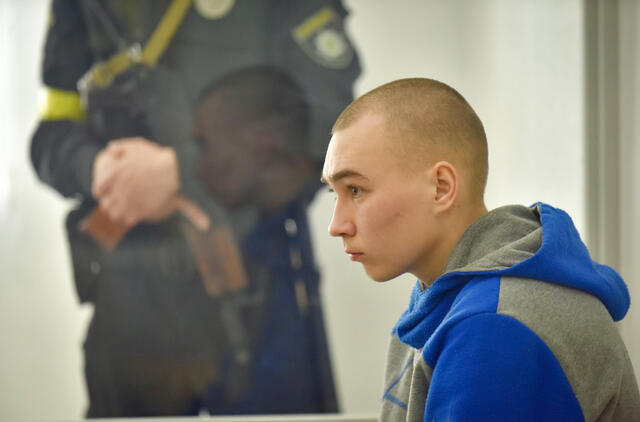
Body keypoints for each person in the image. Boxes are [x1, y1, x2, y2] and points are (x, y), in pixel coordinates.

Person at [30, 0, 360, 417]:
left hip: (255, 282)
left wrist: (182, 168)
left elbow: (328, 117)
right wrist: (96, 169)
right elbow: (52, 131)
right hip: (131, 295)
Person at [321, 78, 640, 421]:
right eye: (334, 193)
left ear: (441, 188)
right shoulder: (443, 306)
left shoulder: (494, 327)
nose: (336, 225)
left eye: (355, 190)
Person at [193, 66, 337, 414]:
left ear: (262, 143)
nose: (196, 168)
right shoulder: (264, 240)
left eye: (205, 145)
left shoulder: (335, 238)